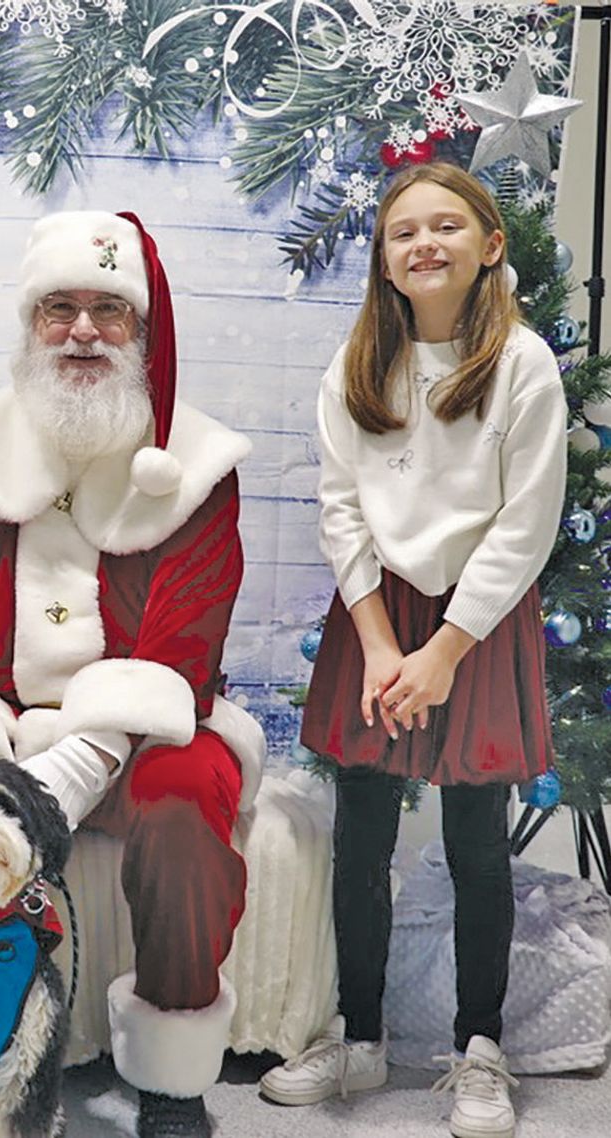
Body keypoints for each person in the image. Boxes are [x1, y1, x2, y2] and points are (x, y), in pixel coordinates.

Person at [0, 210, 262, 1138]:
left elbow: (181, 649)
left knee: (185, 803)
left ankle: (169, 1075)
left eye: (108, 312)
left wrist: (73, 771)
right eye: (60, 309)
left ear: (143, 333)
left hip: (144, 731)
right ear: (31, 326)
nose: (82, 331)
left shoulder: (198, 469)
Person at [259, 163, 567, 1138]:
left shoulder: (523, 366)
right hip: (376, 621)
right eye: (403, 232)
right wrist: (386, 644)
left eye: (446, 226)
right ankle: (360, 1037)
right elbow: (342, 511)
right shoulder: (355, 369)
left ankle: (481, 1047)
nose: (423, 243)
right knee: (362, 835)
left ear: (489, 245)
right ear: (385, 261)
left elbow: (526, 524)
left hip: (480, 614)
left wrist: (442, 651)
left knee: (479, 841)